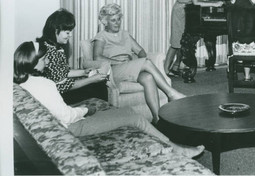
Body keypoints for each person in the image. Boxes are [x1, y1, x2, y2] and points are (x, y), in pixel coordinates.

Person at [14, 41, 204, 159]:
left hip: (60, 126)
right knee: (134, 116)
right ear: (35, 62)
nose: (46, 59)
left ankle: (169, 139)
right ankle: (177, 149)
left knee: (122, 110)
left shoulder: (22, 82)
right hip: (71, 127)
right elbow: (67, 115)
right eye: (43, 58)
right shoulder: (45, 84)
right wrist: (85, 111)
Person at [93, 3, 185, 124]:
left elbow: (141, 51)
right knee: (146, 63)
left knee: (148, 77)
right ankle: (171, 92)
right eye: (113, 20)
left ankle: (157, 118)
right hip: (113, 69)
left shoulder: (125, 34)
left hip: (128, 67)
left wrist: (136, 62)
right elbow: (97, 57)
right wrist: (117, 61)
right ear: (105, 22)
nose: (117, 23)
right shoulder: (101, 36)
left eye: (119, 19)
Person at [164, 0, 224, 76]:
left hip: (192, 12)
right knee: (176, 42)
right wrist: (214, 4)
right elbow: (196, 1)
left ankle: (176, 67)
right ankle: (165, 70)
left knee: (186, 41)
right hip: (181, 10)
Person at [38, 9, 109, 104]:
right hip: (56, 95)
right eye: (67, 32)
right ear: (56, 31)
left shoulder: (56, 47)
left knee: (98, 83)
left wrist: (83, 72)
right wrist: (91, 79)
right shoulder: (49, 51)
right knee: (97, 85)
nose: (70, 35)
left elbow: (63, 72)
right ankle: (103, 112)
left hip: (60, 90)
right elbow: (62, 86)